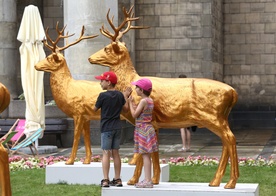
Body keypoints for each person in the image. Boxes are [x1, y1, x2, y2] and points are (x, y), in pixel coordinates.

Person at [94, 71, 131, 188]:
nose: (100, 83)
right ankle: (118, 178)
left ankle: (105, 179)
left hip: (106, 128)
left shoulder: (102, 96)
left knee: (106, 153)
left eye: (102, 81)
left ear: (108, 82)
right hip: (117, 127)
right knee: (116, 153)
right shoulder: (120, 95)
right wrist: (126, 96)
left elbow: (94, 109)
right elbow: (125, 109)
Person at [128, 78, 158, 188]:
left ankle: (147, 180)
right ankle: (147, 179)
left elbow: (134, 115)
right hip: (148, 128)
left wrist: (130, 103)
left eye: (136, 87)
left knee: (145, 155)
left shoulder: (143, 101)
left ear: (141, 89)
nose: (135, 89)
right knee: (147, 155)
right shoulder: (150, 100)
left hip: (143, 129)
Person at [178, 74, 192, 152]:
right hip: (188, 108)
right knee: (187, 128)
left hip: (181, 107)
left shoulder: (179, 88)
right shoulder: (188, 88)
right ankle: (188, 146)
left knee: (182, 127)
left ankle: (184, 146)